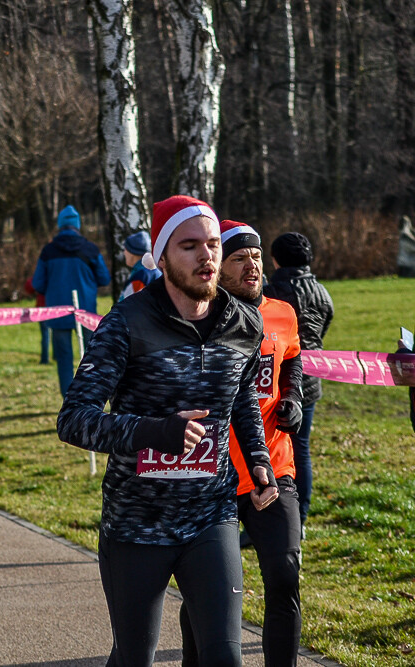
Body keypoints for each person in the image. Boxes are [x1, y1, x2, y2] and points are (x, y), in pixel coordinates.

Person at [56, 195, 278, 667]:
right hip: (137, 523)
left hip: (211, 516)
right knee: (135, 658)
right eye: (190, 246)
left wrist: (258, 459)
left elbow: (240, 398)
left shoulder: (244, 321)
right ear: (161, 255)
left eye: (214, 244)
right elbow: (74, 419)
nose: (207, 257)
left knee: (224, 657)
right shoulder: (126, 323)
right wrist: (154, 433)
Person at [179, 220, 304, 666]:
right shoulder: (199, 318)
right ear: (218, 268)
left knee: (285, 575)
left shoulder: (283, 313)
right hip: (212, 475)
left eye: (255, 256)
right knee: (205, 590)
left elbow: (291, 363)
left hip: (273, 468)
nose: (251, 265)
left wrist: (293, 397)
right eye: (239, 258)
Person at [264, 232, 334, 532]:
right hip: (311, 382)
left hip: (276, 382)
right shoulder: (323, 292)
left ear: (275, 259)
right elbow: (324, 328)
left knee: (270, 450)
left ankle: (272, 515)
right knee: (301, 448)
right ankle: (300, 519)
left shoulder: (272, 291)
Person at [32, 204, 112, 396]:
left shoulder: (48, 251)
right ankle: (92, 396)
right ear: (77, 225)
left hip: (57, 312)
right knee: (92, 357)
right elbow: (104, 278)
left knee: (64, 359)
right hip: (86, 313)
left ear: (60, 226)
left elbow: (38, 284)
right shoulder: (90, 249)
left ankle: (69, 401)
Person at [118, 230, 162, 300]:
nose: (124, 253)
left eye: (126, 249)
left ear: (132, 252)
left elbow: (127, 304)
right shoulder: (157, 271)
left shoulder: (141, 276)